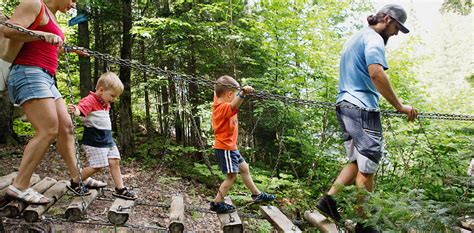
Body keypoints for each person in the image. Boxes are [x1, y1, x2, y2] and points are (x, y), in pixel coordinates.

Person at [315, 4, 418, 232]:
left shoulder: (356, 37)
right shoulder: (373, 39)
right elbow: (376, 72)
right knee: (368, 167)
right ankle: (365, 223)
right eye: (397, 28)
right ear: (388, 20)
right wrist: (400, 106)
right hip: (363, 109)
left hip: (345, 105)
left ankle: (328, 201)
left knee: (356, 161)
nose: (396, 33)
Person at [4, 0, 90, 205]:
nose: (73, 4)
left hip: (46, 77)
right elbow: (8, 30)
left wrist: (71, 49)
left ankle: (77, 177)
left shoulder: (52, 17)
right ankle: (19, 186)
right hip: (28, 72)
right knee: (48, 129)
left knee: (66, 127)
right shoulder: (34, 4)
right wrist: (40, 34)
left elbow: (49, 47)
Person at [209, 75, 276, 214]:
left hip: (231, 148)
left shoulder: (220, 101)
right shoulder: (222, 108)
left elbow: (219, 91)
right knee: (231, 176)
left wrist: (229, 86)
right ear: (229, 95)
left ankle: (257, 194)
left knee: (244, 168)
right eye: (233, 95)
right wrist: (242, 93)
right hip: (225, 148)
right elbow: (232, 104)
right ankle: (216, 203)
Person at [68, 72, 137, 200]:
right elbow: (81, 109)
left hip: (107, 139)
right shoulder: (90, 100)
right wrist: (75, 110)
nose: (114, 99)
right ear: (101, 90)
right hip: (95, 140)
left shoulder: (105, 102)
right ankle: (75, 182)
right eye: (112, 95)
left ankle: (120, 188)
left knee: (115, 161)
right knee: (97, 166)